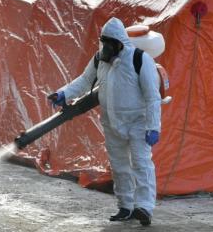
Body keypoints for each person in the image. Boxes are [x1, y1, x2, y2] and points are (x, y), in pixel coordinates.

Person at [47, 17, 162, 226]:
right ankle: (125, 207)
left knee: (141, 164)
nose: (107, 47)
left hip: (138, 121)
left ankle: (144, 207)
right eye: (104, 42)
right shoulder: (100, 59)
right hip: (112, 122)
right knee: (119, 166)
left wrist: (153, 126)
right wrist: (62, 93)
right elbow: (83, 81)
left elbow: (152, 96)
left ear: (120, 42)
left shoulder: (140, 59)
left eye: (110, 43)